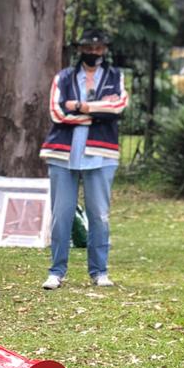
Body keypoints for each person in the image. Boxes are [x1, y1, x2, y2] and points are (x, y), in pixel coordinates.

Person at [39, 28, 128, 290]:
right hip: (62, 153)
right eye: (89, 47)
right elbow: (57, 112)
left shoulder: (115, 77)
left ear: (105, 49)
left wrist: (80, 107)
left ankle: (99, 272)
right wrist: (99, 112)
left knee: (99, 215)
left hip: (101, 153)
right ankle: (57, 271)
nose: (93, 52)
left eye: (99, 48)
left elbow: (118, 107)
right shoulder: (64, 77)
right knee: (61, 214)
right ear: (80, 49)